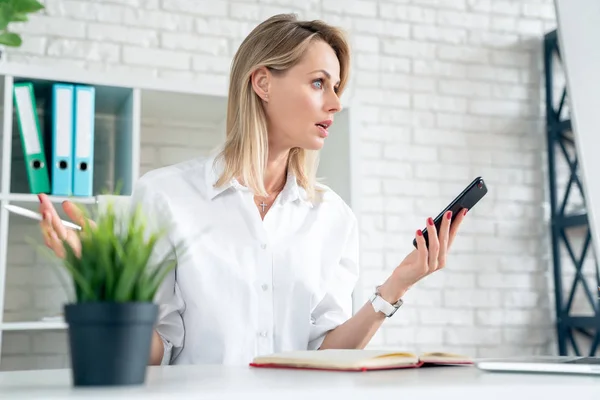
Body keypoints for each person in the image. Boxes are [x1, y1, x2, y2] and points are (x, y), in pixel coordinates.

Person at [37, 13, 467, 366]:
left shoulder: (333, 217)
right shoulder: (165, 196)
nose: (335, 102)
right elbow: (155, 356)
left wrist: (397, 285)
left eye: (336, 87)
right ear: (262, 83)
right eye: (319, 83)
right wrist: (106, 285)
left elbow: (323, 357)